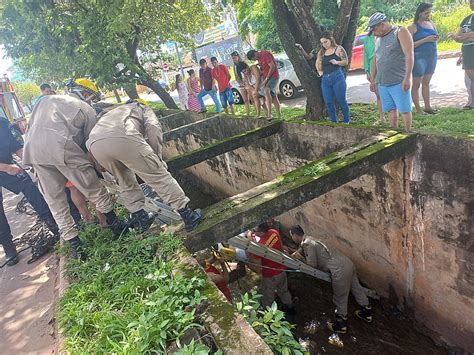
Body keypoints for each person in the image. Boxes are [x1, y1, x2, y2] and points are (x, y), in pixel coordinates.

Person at [23, 78, 127, 260]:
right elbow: (92, 146)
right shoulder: (86, 109)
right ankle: (116, 225)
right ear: (85, 94)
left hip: (34, 153)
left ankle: (75, 245)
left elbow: (30, 129)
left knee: (56, 202)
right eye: (90, 96)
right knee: (93, 187)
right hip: (61, 148)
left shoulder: (45, 101)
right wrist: (100, 167)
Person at [86, 99, 204, 232]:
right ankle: (188, 216)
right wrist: (157, 159)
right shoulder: (143, 108)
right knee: (158, 176)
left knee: (124, 181)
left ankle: (141, 217)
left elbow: (92, 147)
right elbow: (154, 129)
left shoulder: (115, 112)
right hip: (122, 135)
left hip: (95, 145)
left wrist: (99, 162)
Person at [0, 116, 60, 266]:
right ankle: (9, 248)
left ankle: (53, 224)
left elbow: (17, 148)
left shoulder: (2, 123)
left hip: (8, 164)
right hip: (5, 167)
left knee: (31, 189)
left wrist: (32, 162)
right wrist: (6, 168)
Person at [289, 225, 372, 334]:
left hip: (339, 270)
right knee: (356, 288)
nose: (292, 238)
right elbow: (310, 249)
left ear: (295, 235)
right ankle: (367, 312)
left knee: (340, 297)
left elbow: (312, 264)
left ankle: (341, 325)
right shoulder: (311, 238)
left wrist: (300, 259)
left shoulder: (306, 244)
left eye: (291, 236)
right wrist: (299, 252)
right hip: (347, 263)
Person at [368, 12, 414, 132]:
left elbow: (409, 55)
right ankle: (393, 133)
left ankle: (408, 133)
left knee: (404, 110)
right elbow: (375, 59)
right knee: (391, 110)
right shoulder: (377, 38)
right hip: (383, 82)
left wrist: (407, 78)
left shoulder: (400, 32)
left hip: (399, 80)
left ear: (382, 24)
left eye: (374, 29)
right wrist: (373, 79)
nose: (373, 33)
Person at [296, 32, 350, 124]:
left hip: (337, 77)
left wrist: (337, 62)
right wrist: (301, 49)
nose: (324, 44)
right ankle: (334, 121)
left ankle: (346, 121)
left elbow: (345, 61)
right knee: (328, 101)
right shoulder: (321, 52)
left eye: (326, 42)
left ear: (331, 39)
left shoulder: (339, 49)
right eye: (322, 43)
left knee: (341, 100)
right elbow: (309, 57)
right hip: (325, 79)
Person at [247, 221, 294, 313]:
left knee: (268, 298)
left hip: (270, 276)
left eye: (254, 231)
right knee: (284, 291)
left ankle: (269, 319)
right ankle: (290, 308)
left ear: (260, 233)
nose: (253, 232)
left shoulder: (258, 248)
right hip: (281, 269)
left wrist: (249, 262)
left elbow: (258, 268)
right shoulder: (274, 232)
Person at [408, 3, 438, 115]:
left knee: (427, 82)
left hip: (432, 55)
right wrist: (426, 39)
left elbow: (434, 37)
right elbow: (409, 45)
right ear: (420, 13)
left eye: (430, 12)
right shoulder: (412, 27)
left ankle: (428, 107)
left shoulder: (431, 24)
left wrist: (434, 39)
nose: (428, 15)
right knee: (416, 84)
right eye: (426, 13)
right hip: (419, 57)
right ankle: (418, 109)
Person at [451, 1, 474, 110]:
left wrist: (463, 36)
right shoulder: (466, 19)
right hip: (467, 52)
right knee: (469, 80)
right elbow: (457, 37)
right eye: (470, 2)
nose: (472, 4)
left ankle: (472, 103)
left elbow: (461, 36)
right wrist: (467, 36)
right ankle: (471, 102)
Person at [246, 49, 281, 121]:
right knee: (273, 96)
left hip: (273, 77)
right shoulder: (259, 59)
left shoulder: (264, 54)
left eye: (254, 58)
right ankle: (279, 115)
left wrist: (266, 79)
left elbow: (272, 66)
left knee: (266, 90)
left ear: (255, 54)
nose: (255, 60)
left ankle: (269, 114)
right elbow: (264, 70)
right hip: (267, 78)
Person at [363, 33, 386, 124]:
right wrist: (367, 70)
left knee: (389, 92)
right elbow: (365, 55)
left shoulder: (384, 35)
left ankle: (394, 114)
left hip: (384, 65)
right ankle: (382, 117)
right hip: (372, 67)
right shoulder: (367, 39)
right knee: (378, 94)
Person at [231, 51, 251, 115]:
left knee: (252, 99)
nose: (234, 59)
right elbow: (236, 77)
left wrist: (246, 81)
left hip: (247, 82)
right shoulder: (234, 66)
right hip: (241, 84)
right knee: (245, 100)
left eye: (235, 57)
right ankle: (248, 114)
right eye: (232, 58)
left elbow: (249, 72)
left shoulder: (243, 62)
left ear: (238, 57)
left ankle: (257, 113)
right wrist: (240, 83)